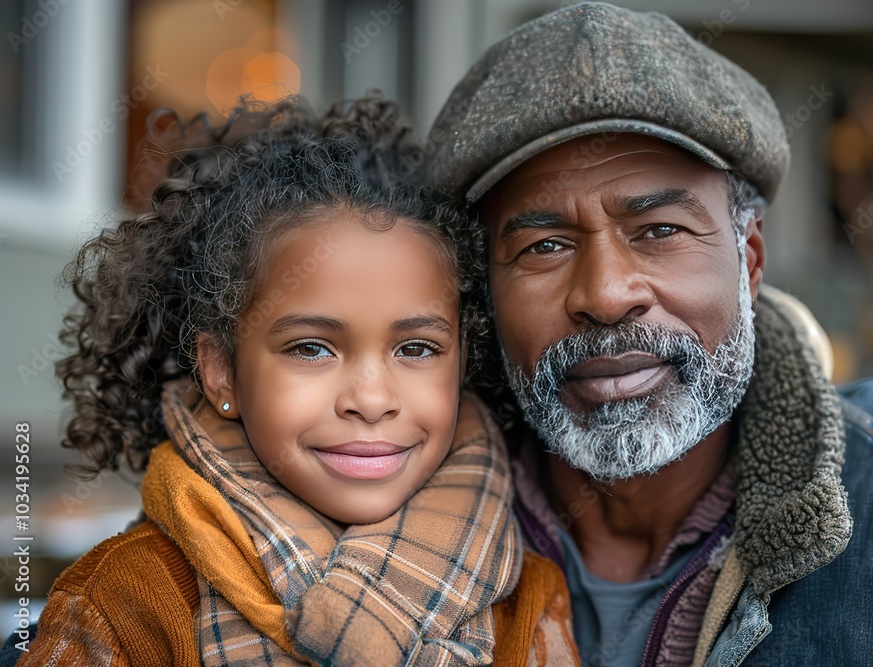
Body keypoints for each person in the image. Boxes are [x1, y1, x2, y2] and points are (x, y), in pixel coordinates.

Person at [420, 3, 873, 665]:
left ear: (749, 259)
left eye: (660, 230)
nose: (607, 295)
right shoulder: (378, 508)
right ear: (484, 292)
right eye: (545, 245)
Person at [17, 95, 577, 666]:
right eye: (311, 348)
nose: (372, 399)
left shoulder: (529, 602)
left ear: (463, 363)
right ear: (220, 371)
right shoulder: (124, 602)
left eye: (416, 348)